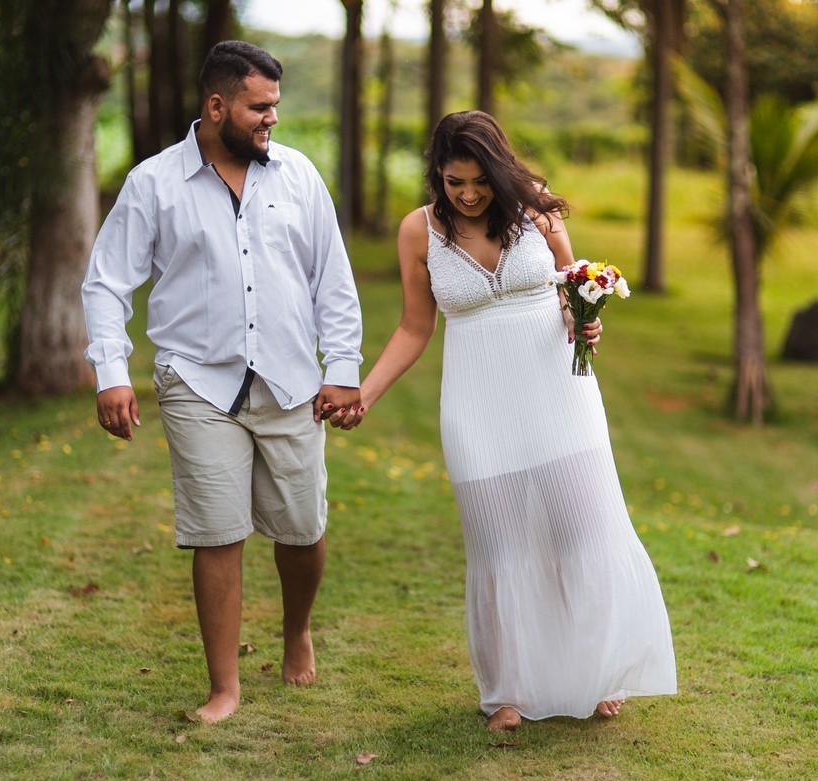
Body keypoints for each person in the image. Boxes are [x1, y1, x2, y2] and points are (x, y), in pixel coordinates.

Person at [329, 110, 676, 731]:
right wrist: (366, 395)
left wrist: (585, 319)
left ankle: (600, 672)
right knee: (500, 545)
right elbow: (415, 326)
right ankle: (509, 692)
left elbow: (572, 292)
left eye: (478, 181)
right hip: (476, 402)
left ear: (498, 169)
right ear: (437, 172)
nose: (466, 193)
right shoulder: (419, 232)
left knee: (581, 531)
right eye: (453, 180)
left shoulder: (538, 213)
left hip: (557, 395)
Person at [81, 41, 363, 724]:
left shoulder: (298, 177)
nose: (272, 118)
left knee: (302, 530)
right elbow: (106, 282)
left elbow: (335, 283)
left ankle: (297, 628)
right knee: (217, 532)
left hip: (292, 380)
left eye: (275, 105)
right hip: (197, 381)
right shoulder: (153, 183)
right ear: (216, 106)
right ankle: (225, 687)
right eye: (259, 106)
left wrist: (343, 371)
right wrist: (110, 373)